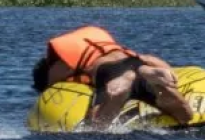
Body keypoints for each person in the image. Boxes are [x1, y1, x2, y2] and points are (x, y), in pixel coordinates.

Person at [31, 25, 193, 128]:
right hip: (135, 63)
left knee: (96, 126)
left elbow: (54, 86)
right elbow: (144, 58)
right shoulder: (96, 35)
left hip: (110, 73)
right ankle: (152, 78)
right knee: (185, 116)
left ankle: (118, 95)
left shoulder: (58, 60)